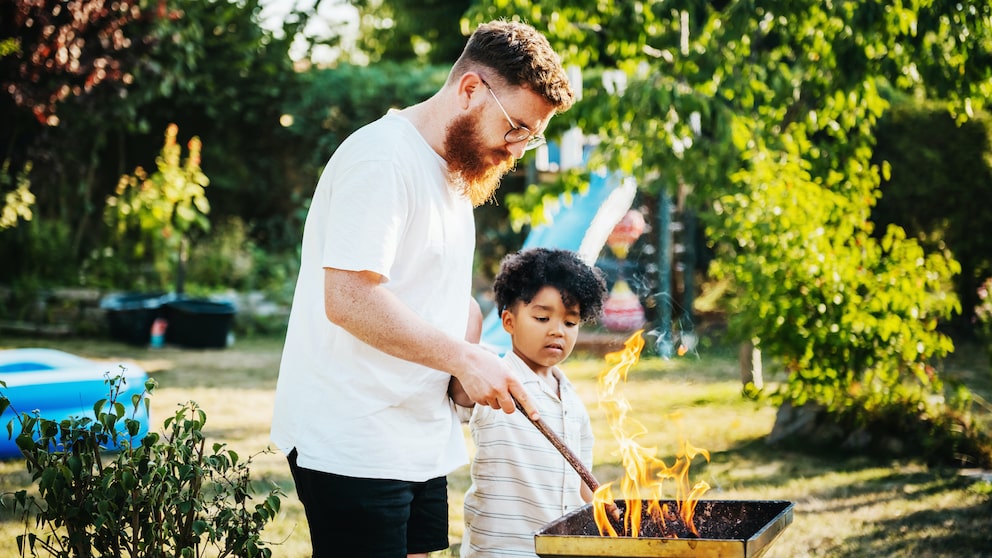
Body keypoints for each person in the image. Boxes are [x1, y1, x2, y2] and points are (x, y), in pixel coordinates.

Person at [269, 20, 576, 558]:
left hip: (419, 439)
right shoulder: (382, 159)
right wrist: (463, 357)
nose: (519, 148)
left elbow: (423, 290)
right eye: (516, 127)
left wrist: (467, 339)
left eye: (532, 135)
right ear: (470, 90)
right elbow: (349, 297)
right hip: (355, 442)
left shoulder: (455, 175)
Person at [450, 248, 608, 558]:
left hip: (561, 548)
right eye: (541, 317)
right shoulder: (494, 378)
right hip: (502, 550)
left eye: (570, 323)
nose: (556, 330)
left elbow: (583, 485)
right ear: (509, 321)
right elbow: (460, 392)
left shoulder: (572, 400)